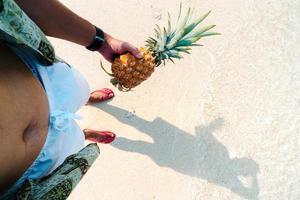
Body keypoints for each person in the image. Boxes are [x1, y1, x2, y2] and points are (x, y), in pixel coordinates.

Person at [0, 0, 142, 198]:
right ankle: (84, 134)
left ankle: (85, 99)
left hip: (43, 80)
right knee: (73, 145)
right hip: (35, 172)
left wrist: (100, 41)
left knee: (79, 91)